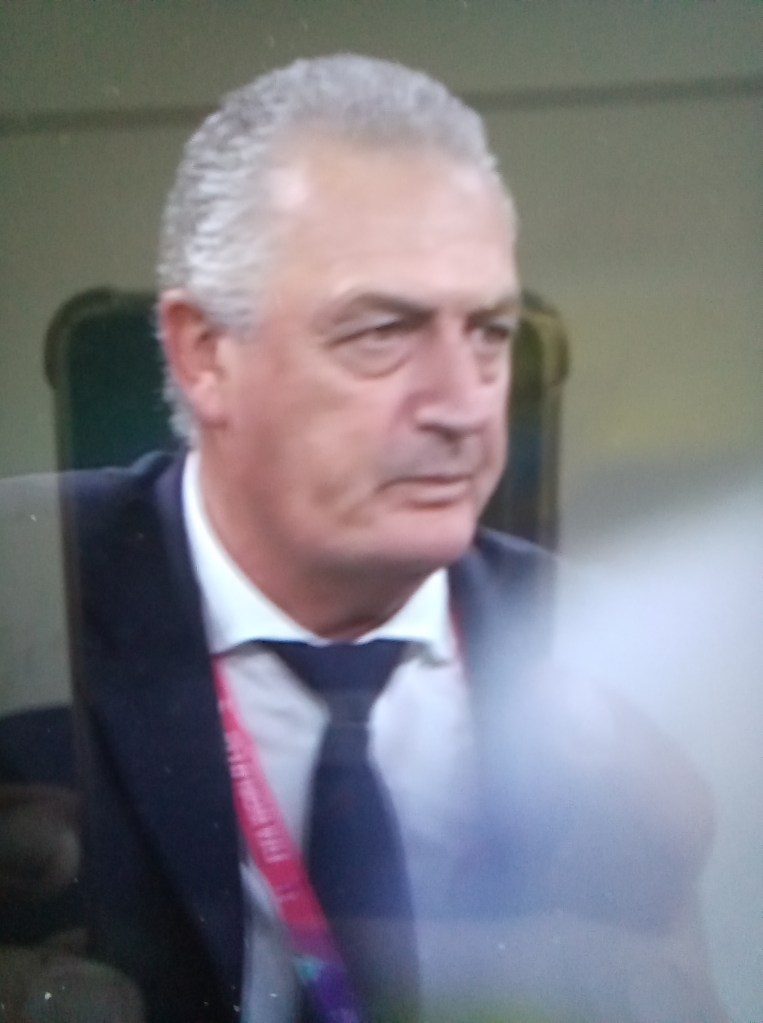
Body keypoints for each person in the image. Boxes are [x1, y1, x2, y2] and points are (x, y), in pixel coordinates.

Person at [0, 55, 728, 1023]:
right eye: (381, 331)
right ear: (206, 354)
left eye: (490, 332)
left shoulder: (603, 648)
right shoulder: (22, 583)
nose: (462, 405)